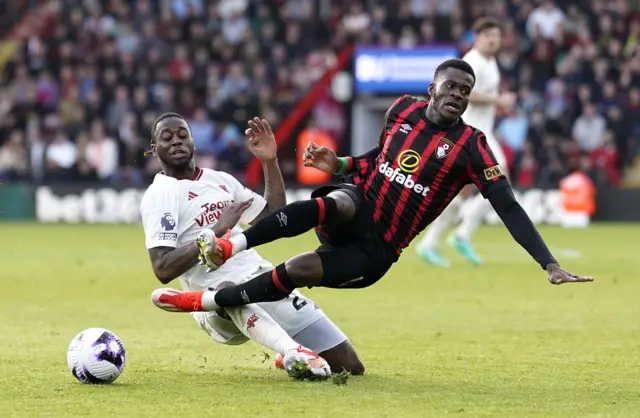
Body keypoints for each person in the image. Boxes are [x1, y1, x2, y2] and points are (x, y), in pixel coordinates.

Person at [150, 59, 593, 328]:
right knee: (339, 199)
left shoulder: (473, 147)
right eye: (451, 87)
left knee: (296, 270)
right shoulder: (401, 109)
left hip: (378, 250)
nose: (457, 95)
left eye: (465, 91)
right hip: (359, 208)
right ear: (431, 89)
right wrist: (341, 166)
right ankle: (230, 244)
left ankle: (204, 300)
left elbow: (509, 206)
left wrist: (549, 264)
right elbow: (377, 161)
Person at [141, 112, 364, 380]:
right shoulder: (160, 195)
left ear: (193, 142)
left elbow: (275, 218)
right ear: (155, 150)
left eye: (182, 135)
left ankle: (285, 354)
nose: (176, 141)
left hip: (262, 279)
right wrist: (216, 229)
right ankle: (293, 351)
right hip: (214, 302)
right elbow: (163, 268)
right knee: (228, 291)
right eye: (167, 138)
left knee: (350, 366)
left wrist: (270, 161)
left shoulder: (220, 180)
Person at [417, 18, 516, 267]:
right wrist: (498, 101)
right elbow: (465, 95)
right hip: (470, 132)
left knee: (463, 191)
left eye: (497, 35)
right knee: (499, 182)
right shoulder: (472, 62)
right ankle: (460, 234)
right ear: (477, 37)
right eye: (489, 35)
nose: (494, 40)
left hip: (481, 132)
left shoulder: (490, 62)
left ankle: (434, 242)